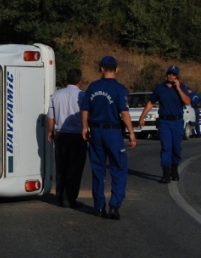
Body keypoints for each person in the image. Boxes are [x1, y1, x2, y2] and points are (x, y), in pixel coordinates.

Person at [80, 56, 136, 220]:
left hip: (96, 131)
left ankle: (98, 207)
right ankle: (114, 205)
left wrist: (84, 127)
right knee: (118, 168)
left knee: (98, 170)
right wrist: (131, 132)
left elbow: (84, 109)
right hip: (112, 132)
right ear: (117, 69)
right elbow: (124, 113)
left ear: (101, 69)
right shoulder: (119, 89)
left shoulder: (92, 87)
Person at [139, 65, 190, 183]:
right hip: (164, 121)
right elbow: (151, 103)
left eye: (174, 74)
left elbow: (187, 102)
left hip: (177, 121)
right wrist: (143, 116)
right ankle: (166, 173)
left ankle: (174, 170)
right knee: (166, 147)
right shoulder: (160, 88)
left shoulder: (181, 87)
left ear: (177, 76)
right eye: (169, 73)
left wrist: (178, 89)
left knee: (176, 147)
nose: (171, 76)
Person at [47, 69, 87, 208]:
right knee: (75, 168)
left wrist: (50, 132)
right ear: (79, 81)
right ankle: (70, 198)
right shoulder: (83, 95)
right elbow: (86, 114)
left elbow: (51, 116)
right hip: (77, 135)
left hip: (60, 135)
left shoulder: (56, 95)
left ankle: (59, 197)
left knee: (61, 167)